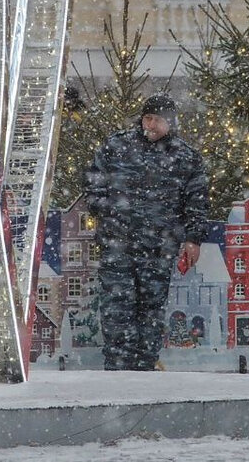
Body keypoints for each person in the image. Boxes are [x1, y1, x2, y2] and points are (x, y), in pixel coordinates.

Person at [84, 94, 209, 371]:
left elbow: (197, 200)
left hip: (158, 249)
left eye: (158, 120)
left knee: (151, 311)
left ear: (171, 123)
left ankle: (145, 367)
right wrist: (111, 212)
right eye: (147, 118)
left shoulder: (185, 157)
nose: (151, 125)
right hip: (118, 246)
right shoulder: (116, 146)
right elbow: (93, 184)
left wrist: (193, 238)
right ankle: (117, 369)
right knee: (117, 309)